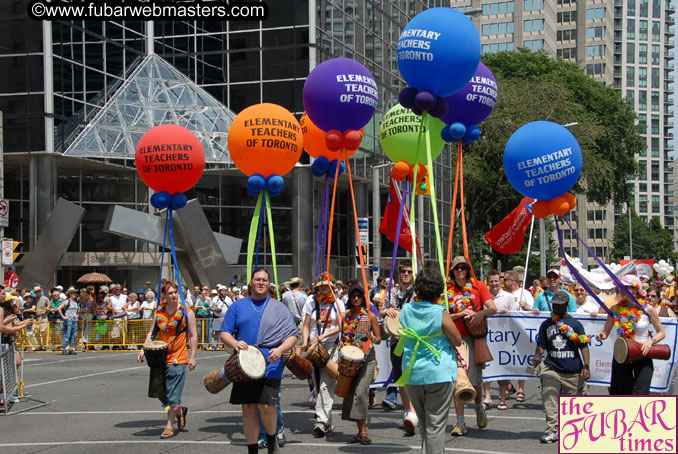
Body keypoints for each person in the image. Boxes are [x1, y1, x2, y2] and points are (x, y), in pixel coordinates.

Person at [220, 268, 298, 454]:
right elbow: (224, 332)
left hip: (271, 362)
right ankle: (252, 450)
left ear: (269, 284)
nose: (261, 282)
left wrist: (280, 350)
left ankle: (272, 442)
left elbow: (292, 335)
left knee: (266, 405)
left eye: (264, 280)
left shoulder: (278, 307)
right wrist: (235, 342)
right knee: (248, 407)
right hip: (244, 363)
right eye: (257, 279)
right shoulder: (238, 306)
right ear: (251, 283)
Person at [396, 268, 461, 453]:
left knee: (426, 425)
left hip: (413, 373)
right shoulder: (440, 312)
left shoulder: (407, 309)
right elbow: (457, 340)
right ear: (439, 290)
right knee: (436, 426)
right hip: (438, 372)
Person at [137, 281, 197, 439]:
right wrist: (143, 348)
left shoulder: (186, 312)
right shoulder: (159, 312)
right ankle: (179, 410)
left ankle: (169, 425)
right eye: (170, 293)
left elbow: (193, 335)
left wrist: (193, 357)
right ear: (164, 295)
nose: (173, 295)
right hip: (159, 357)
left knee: (172, 394)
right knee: (160, 393)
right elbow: (152, 332)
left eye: (175, 292)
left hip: (178, 357)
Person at [446, 256, 497, 436]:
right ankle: (460, 423)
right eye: (456, 268)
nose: (460, 271)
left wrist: (480, 313)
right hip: (454, 339)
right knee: (457, 381)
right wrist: (460, 314)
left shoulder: (478, 286)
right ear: (452, 270)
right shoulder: (446, 290)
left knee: (475, 380)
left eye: (463, 267)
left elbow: (493, 308)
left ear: (468, 269)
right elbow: (442, 316)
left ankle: (478, 407)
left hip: (474, 339)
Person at [532, 290, 591, 444]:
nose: (556, 308)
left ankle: (574, 430)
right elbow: (541, 345)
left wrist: (586, 366)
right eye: (554, 305)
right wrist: (538, 355)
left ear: (565, 305)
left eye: (559, 305)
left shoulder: (575, 324)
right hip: (552, 367)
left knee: (574, 405)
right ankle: (552, 429)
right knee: (549, 395)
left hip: (573, 370)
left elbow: (583, 346)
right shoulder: (546, 324)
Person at [596, 275, 666, 395]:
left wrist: (650, 342)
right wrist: (601, 335)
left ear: (635, 289)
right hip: (622, 355)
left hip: (643, 354)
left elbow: (661, 333)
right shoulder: (615, 309)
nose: (622, 290)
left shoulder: (647, 309)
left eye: (626, 287)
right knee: (620, 394)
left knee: (640, 394)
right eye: (621, 287)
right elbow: (605, 332)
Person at [299, 275, 345, 439]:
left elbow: (341, 326)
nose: (324, 288)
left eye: (327, 285)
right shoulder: (311, 301)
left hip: (331, 346)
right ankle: (328, 422)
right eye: (322, 286)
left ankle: (320, 421)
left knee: (327, 383)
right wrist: (305, 342)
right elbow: (306, 325)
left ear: (332, 287)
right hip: (314, 348)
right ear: (317, 287)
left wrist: (322, 336)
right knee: (317, 384)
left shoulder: (338, 303)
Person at [340, 284, 381, 445]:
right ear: (350, 299)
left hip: (367, 358)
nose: (356, 298)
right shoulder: (347, 316)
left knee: (360, 391)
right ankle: (360, 432)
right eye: (353, 296)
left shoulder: (370, 316)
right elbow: (343, 337)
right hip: (351, 360)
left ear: (363, 298)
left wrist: (372, 337)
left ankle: (363, 432)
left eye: (359, 296)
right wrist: (341, 345)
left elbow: (379, 338)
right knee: (351, 393)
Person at [382, 261, 418, 434]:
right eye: (403, 271)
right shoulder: (391, 292)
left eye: (409, 271)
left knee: (414, 377)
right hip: (397, 340)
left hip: (413, 340)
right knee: (401, 378)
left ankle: (415, 412)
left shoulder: (417, 293)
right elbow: (381, 310)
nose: (406, 274)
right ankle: (407, 412)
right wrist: (387, 311)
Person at [482, 269, 517, 411]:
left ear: (500, 281)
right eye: (491, 281)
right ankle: (488, 397)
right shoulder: (484, 297)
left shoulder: (508, 297)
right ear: (488, 282)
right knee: (486, 368)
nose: (494, 283)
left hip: (503, 339)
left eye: (496, 281)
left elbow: (516, 315)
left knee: (502, 369)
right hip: (487, 337)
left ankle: (502, 400)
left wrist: (507, 313)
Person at [57, 287, 80, 355]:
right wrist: (63, 316)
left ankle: (72, 348)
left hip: (74, 320)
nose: (74, 294)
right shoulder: (67, 301)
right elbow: (59, 308)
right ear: (70, 294)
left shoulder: (75, 302)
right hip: (68, 320)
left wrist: (77, 315)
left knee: (74, 334)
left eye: (75, 293)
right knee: (67, 334)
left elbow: (78, 310)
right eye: (73, 293)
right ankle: (64, 348)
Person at [211, 285, 232, 350]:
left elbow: (231, 307)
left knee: (226, 332)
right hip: (217, 317)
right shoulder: (215, 299)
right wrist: (215, 309)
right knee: (216, 332)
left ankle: (226, 345)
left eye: (225, 290)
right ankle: (214, 345)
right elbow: (210, 307)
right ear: (219, 291)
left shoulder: (228, 299)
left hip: (226, 318)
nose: (224, 292)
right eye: (222, 290)